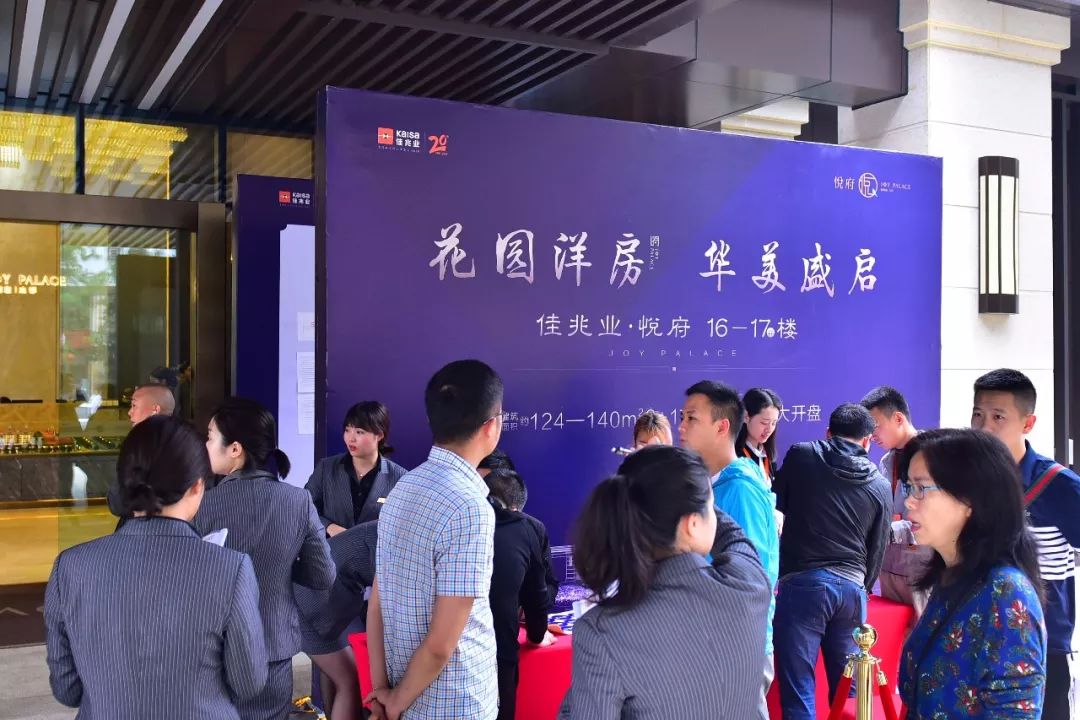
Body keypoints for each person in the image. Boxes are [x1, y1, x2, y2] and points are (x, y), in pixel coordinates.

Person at [45, 416, 268, 718]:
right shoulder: (231, 569)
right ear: (197, 486)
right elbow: (248, 683)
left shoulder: (70, 567)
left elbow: (67, 689)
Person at [558, 446, 771, 719]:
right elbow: (735, 538)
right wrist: (680, 485)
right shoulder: (749, 584)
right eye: (710, 504)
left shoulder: (602, 632)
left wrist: (664, 488)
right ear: (692, 523)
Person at [366, 360, 502, 720]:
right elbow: (442, 644)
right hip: (455, 702)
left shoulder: (403, 487)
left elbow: (376, 604)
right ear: (492, 426)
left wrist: (383, 692)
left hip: (401, 691)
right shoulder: (470, 507)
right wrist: (395, 701)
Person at [195, 397, 335, 720]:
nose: (206, 445)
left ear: (235, 449)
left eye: (210, 437)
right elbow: (323, 575)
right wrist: (282, 568)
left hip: (215, 648)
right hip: (274, 646)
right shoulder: (298, 501)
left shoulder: (203, 505)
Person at [899, 428, 1045, 718]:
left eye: (921, 488)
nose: (908, 501)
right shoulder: (952, 578)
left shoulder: (1005, 592)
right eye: (909, 487)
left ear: (970, 501)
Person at [971, 368, 1080, 720]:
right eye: (978, 414)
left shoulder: (1059, 485)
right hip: (979, 639)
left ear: (1028, 423)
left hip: (1043, 645)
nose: (984, 427)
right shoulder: (968, 483)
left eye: (998, 417)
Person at [772, 403, 891, 720]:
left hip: (803, 584)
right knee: (851, 694)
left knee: (798, 689)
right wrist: (862, 588)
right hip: (852, 589)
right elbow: (878, 548)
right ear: (867, 441)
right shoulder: (880, 484)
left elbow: (776, 505)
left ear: (828, 433)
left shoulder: (802, 455)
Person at [679, 380, 778, 719]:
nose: (682, 427)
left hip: (734, 647)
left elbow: (751, 579)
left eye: (692, 418)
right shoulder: (716, 483)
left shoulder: (740, 488)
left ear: (722, 427)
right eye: (682, 417)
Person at [485, 468, 557, 720]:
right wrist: (537, 634)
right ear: (517, 507)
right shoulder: (525, 529)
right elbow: (537, 596)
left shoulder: (458, 520)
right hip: (499, 652)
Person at [860, 386, 933, 617]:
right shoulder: (886, 461)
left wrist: (890, 530)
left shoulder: (933, 456)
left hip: (923, 565)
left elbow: (935, 516)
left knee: (924, 632)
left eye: (875, 426)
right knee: (894, 634)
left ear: (898, 418)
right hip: (890, 566)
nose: (871, 434)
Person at [306, 401, 407, 537]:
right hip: (330, 549)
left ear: (379, 435)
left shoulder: (399, 478)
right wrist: (329, 526)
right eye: (347, 430)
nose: (351, 438)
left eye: (359, 432)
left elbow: (404, 526)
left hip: (373, 550)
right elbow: (305, 508)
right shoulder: (326, 468)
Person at [106, 384, 180, 518]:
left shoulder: (141, 448)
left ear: (155, 410)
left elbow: (117, 502)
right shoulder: (183, 443)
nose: (130, 412)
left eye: (134, 406)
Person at [735, 388, 782, 486]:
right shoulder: (733, 455)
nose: (769, 429)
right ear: (746, 416)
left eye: (774, 423)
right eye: (764, 422)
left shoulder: (767, 455)